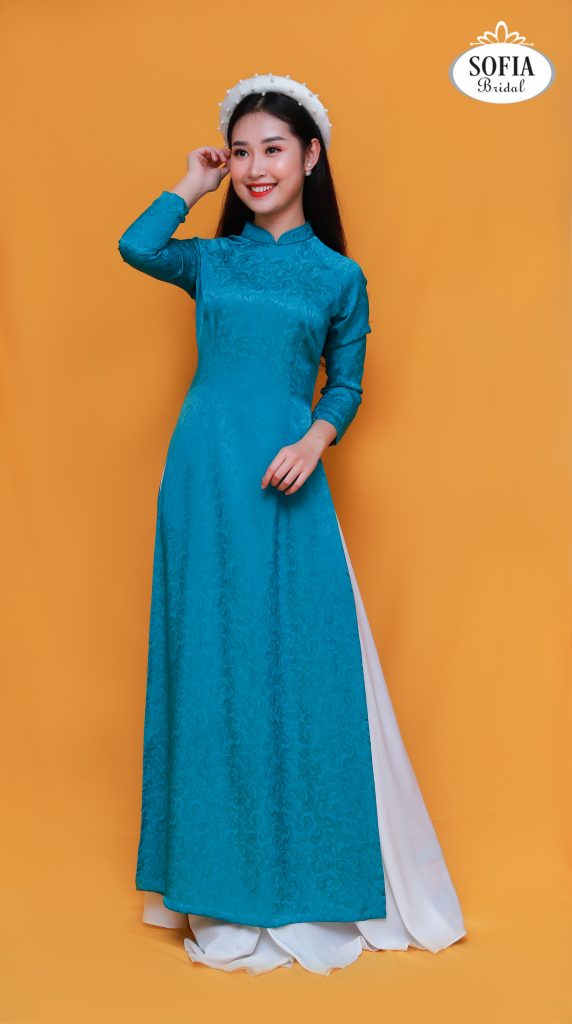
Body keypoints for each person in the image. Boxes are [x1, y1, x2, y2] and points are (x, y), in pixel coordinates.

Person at [117, 72, 467, 975]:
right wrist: (191, 183)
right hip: (202, 477)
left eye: (273, 148)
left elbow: (345, 384)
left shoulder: (338, 277)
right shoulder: (213, 259)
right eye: (241, 153)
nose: (255, 167)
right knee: (210, 661)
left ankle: (306, 872)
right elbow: (135, 244)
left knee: (296, 666)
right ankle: (216, 880)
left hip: (285, 476)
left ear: (311, 156)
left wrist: (315, 439)